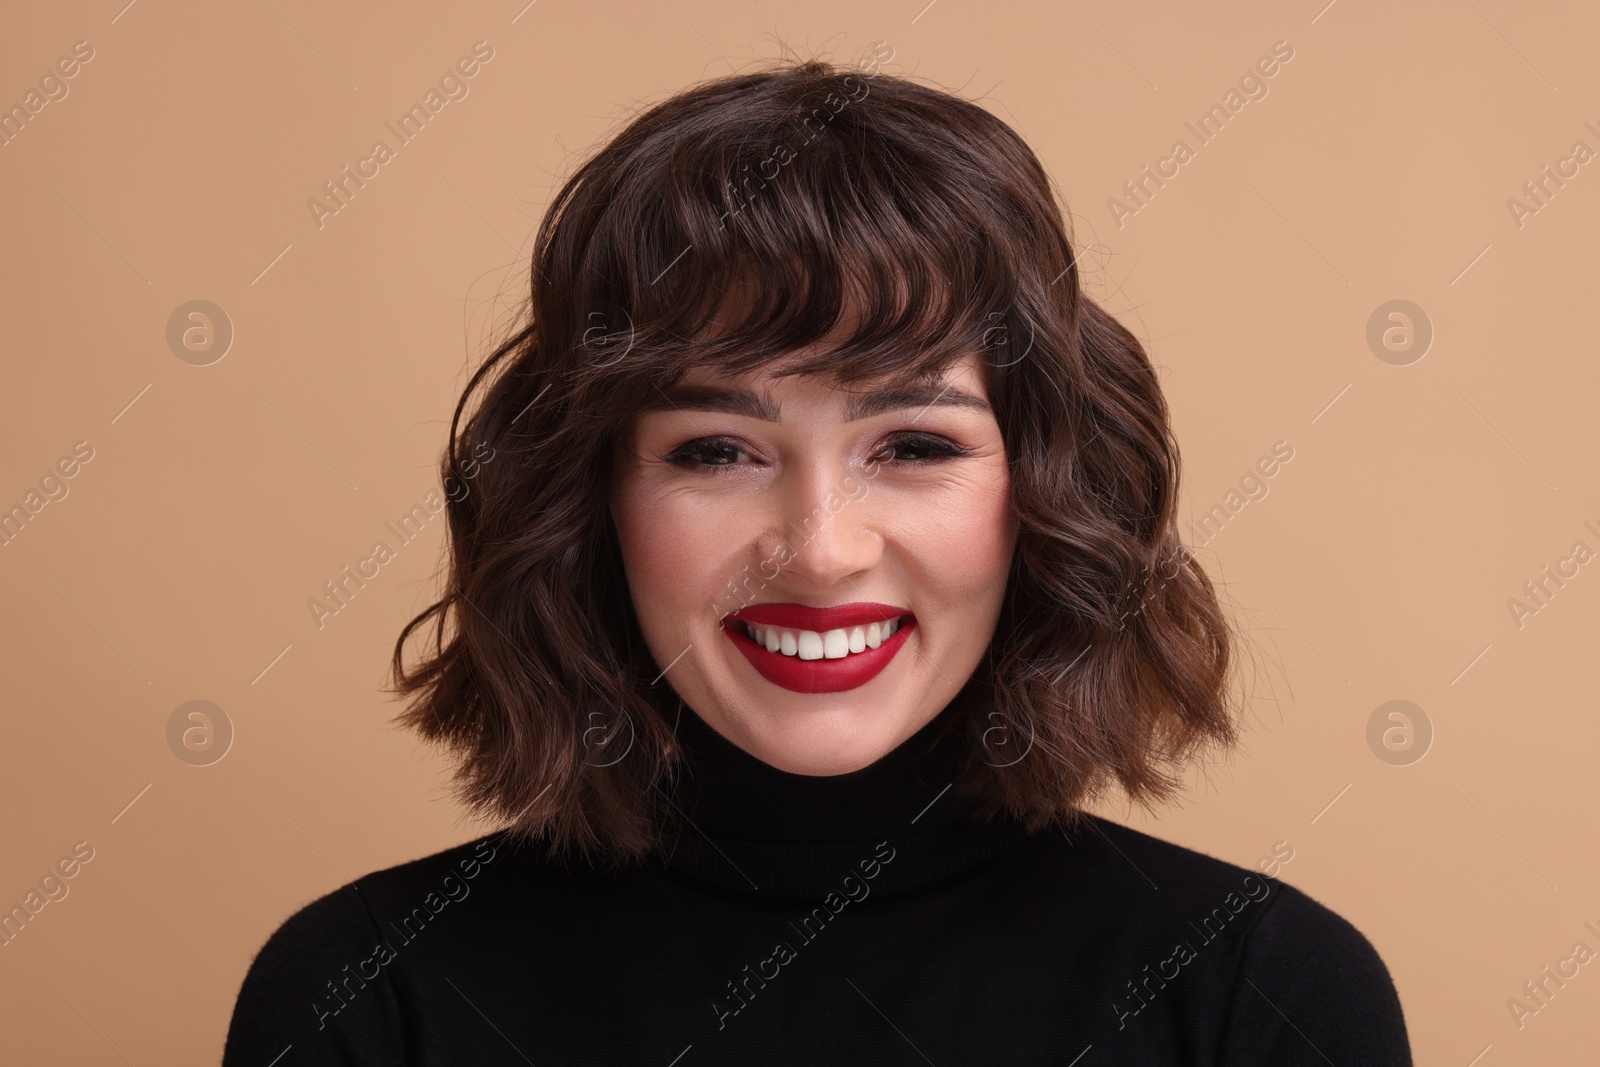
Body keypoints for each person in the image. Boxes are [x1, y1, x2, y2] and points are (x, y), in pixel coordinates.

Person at [223, 54, 1413, 1065]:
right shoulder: (368, 997)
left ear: (1045, 492)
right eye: (717, 450)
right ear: (591, 502)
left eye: (911, 443)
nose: (822, 549)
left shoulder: (1259, 994)